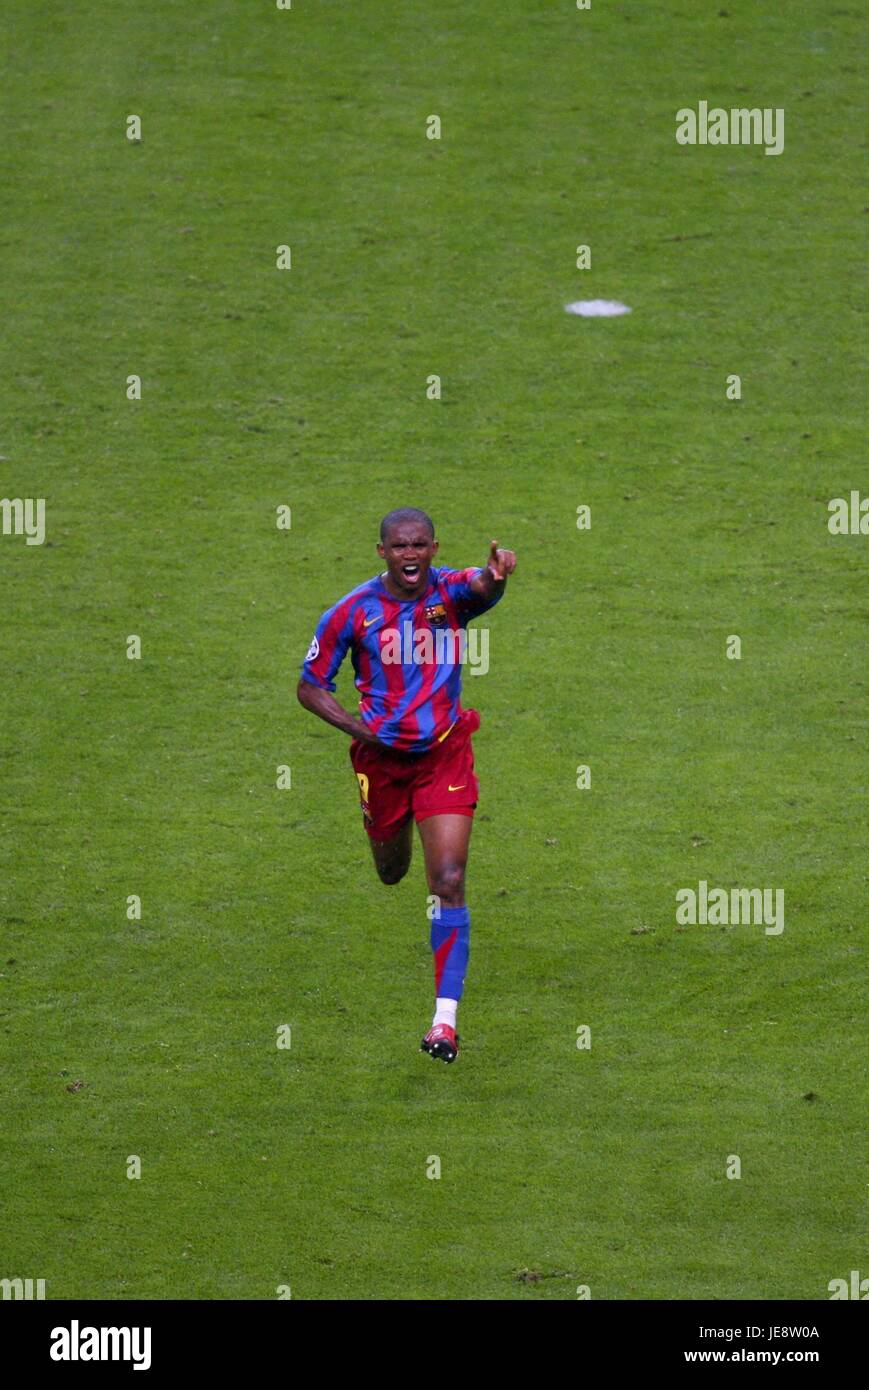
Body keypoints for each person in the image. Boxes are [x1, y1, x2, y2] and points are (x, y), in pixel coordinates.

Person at [297, 507, 516, 1062]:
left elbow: (482, 587)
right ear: (382, 552)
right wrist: (357, 727)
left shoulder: (450, 596)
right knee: (391, 871)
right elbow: (310, 685)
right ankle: (382, 832)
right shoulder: (351, 612)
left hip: (444, 752)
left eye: (420, 544)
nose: (411, 554)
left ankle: (444, 1022)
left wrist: (497, 573)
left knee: (448, 876)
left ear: (434, 548)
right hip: (383, 761)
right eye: (400, 546)